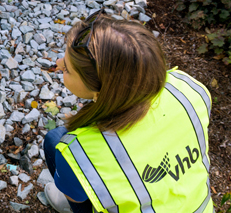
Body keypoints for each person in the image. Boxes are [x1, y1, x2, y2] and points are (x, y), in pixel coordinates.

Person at [43, 13, 213, 213]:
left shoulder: (80, 151)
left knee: (55, 141)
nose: (58, 62)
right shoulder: (189, 89)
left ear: (101, 90)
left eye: (68, 70)